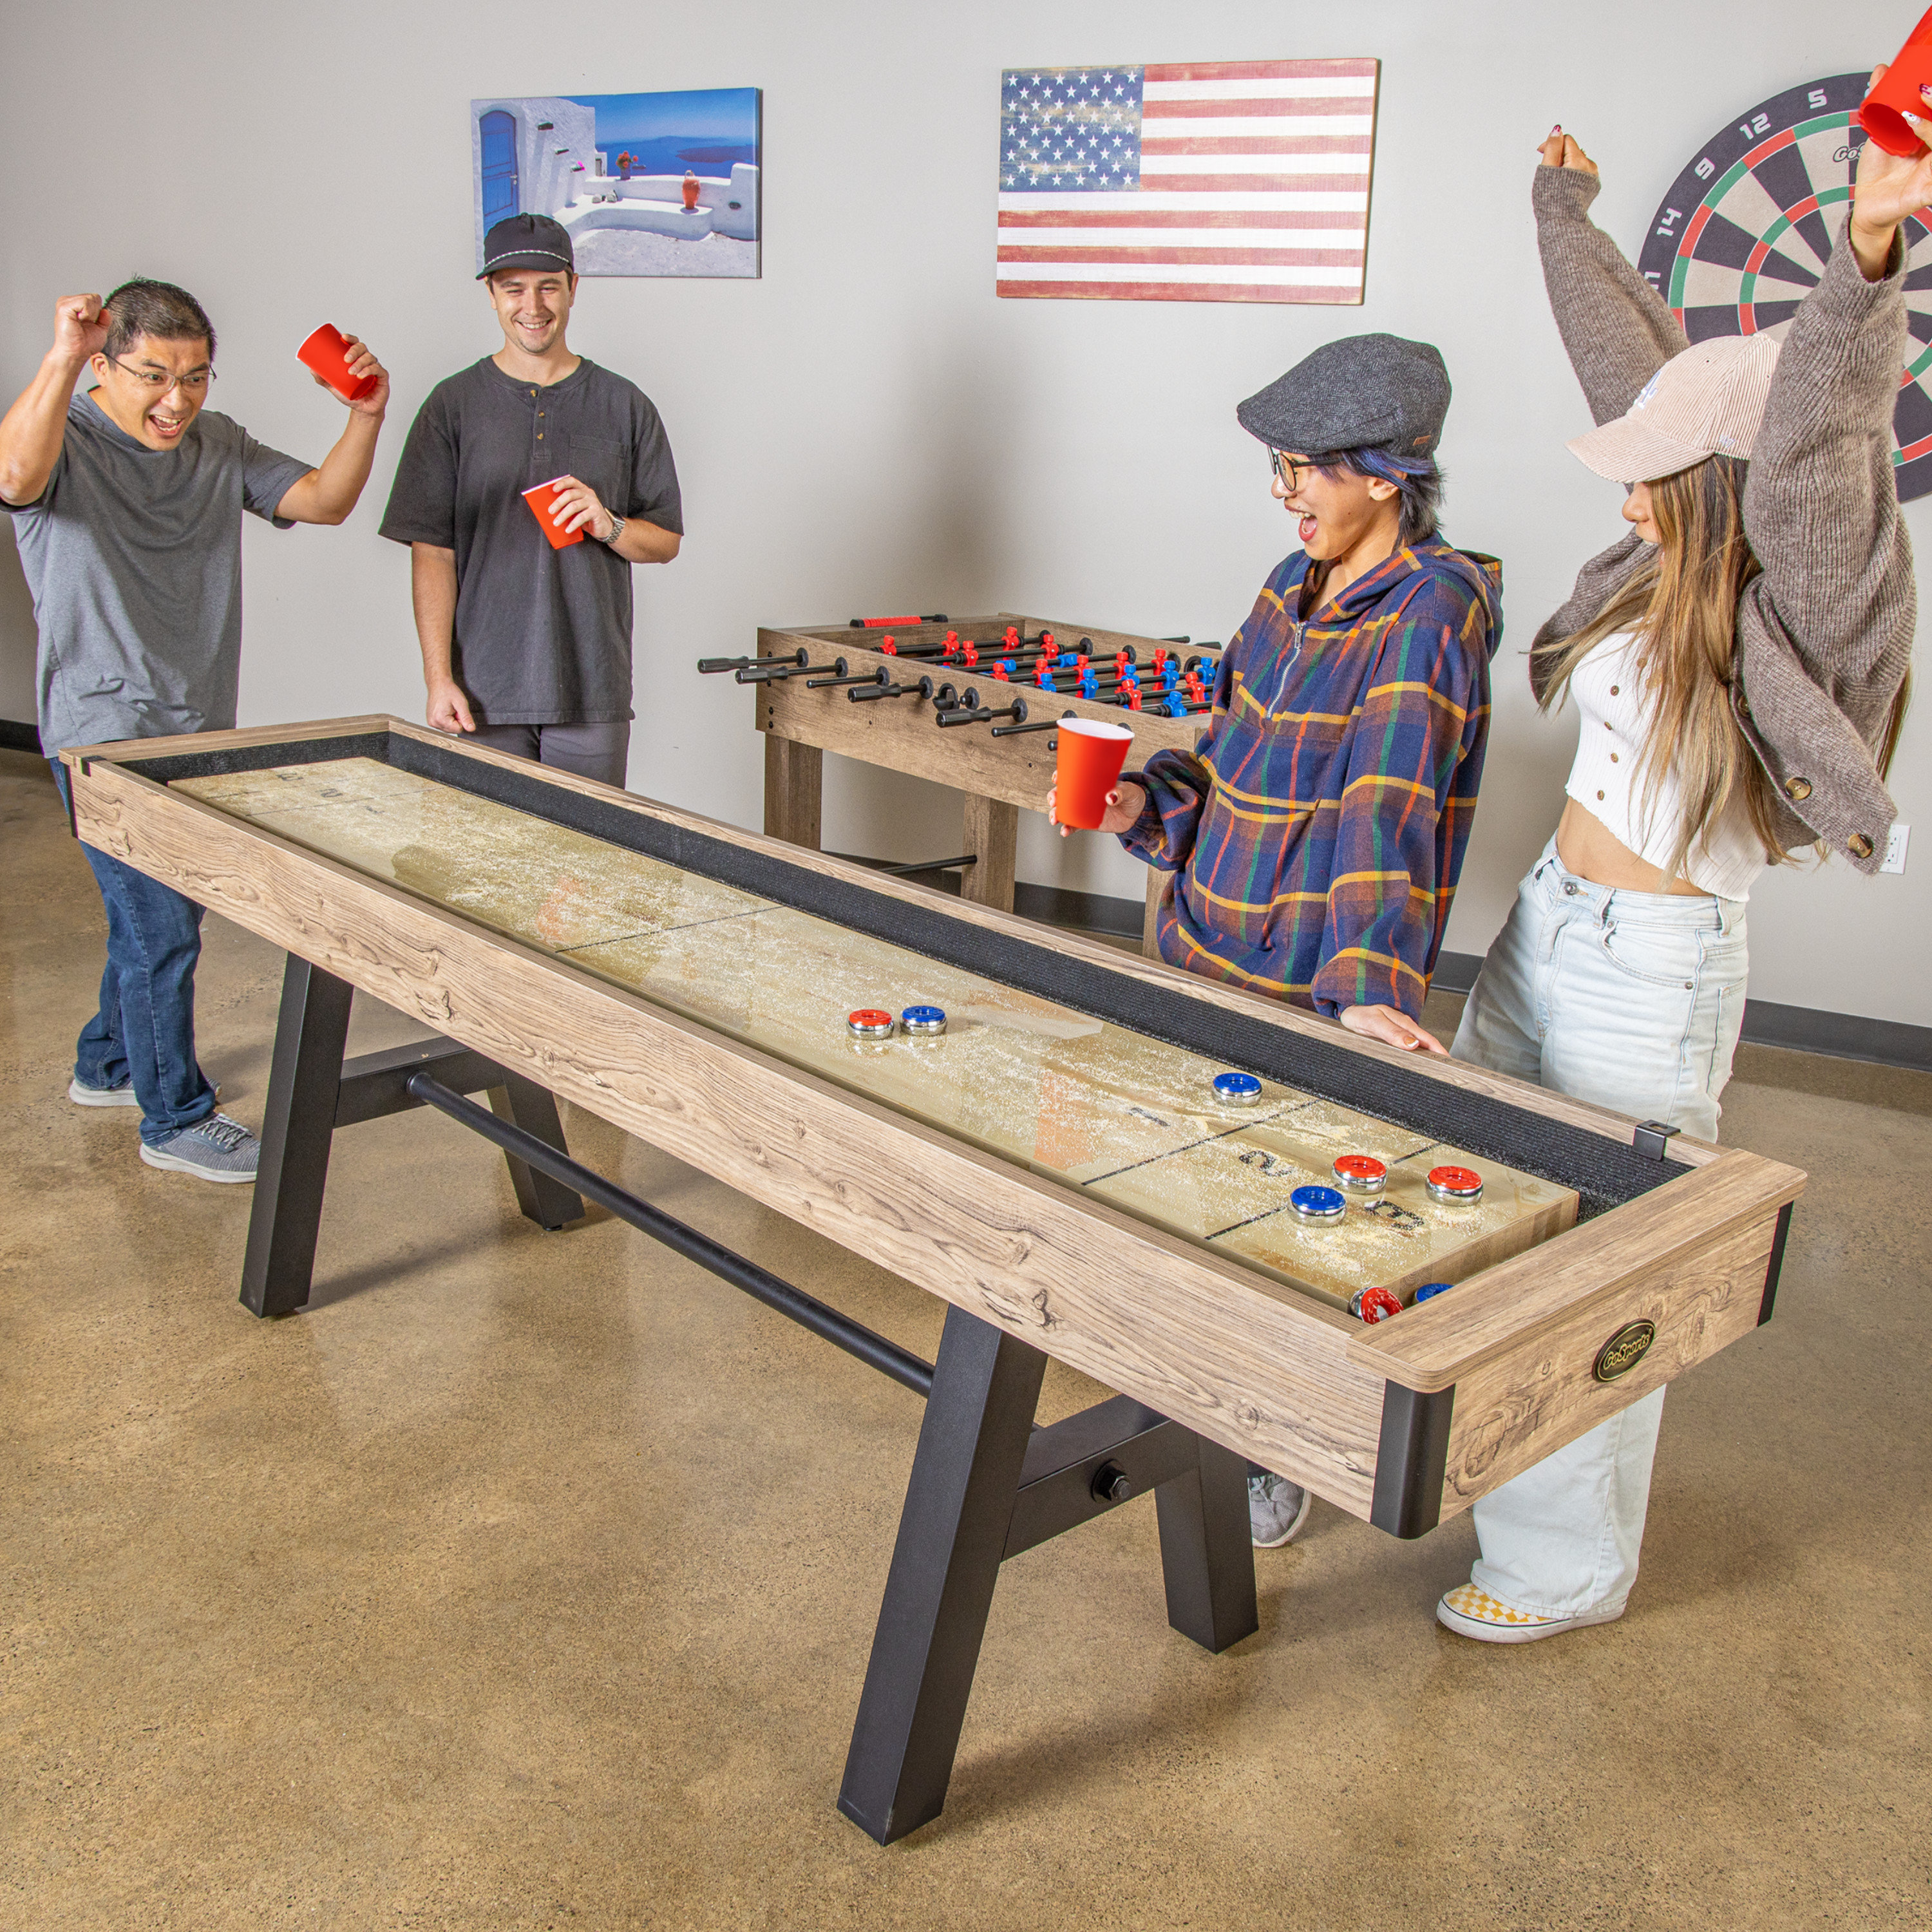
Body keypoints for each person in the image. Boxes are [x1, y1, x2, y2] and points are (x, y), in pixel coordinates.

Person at [1437, 108, 1918, 1645]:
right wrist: (1558, 204)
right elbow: (1625, 358)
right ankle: (1465, 1459)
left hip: (1652, 970)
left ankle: (1564, 1563)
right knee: (1472, 1205)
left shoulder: (1807, 590)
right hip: (1543, 931)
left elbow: (1821, 431)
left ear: (1741, 485)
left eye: (1659, 476)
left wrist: (1860, 254)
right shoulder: (1654, 557)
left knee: (1596, 1266)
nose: (1625, 492)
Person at [1046, 333, 1504, 1549]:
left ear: (1386, 475)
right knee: (1192, 1205)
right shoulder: (1283, 586)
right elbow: (1225, 751)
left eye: (1305, 468)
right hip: (1201, 952)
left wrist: (1360, 989)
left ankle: (1271, 1446)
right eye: (1280, 467)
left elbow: (1388, 805)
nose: (1284, 491)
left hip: (1304, 987)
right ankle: (1204, 1409)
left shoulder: (1431, 611)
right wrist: (1147, 805)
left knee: (1285, 1230)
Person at [0, 278, 389, 1182]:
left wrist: (366, 415)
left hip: (198, 725)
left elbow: (323, 501)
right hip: (99, 735)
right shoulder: (64, 434)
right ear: (102, 364)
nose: (176, 400)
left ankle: (107, 1062)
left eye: (196, 377)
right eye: (152, 376)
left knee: (152, 916)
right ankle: (173, 1116)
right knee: (160, 930)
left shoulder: (216, 444)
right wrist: (59, 355)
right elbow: (14, 477)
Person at [380, 212, 683, 788]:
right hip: (482, 692)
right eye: (513, 288)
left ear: (573, 287)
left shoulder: (625, 405)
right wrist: (438, 678)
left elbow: (664, 540)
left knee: (589, 861)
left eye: (548, 286)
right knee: (489, 864)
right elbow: (433, 555)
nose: (533, 305)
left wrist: (608, 524)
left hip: (591, 689)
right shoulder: (451, 406)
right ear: (490, 295)